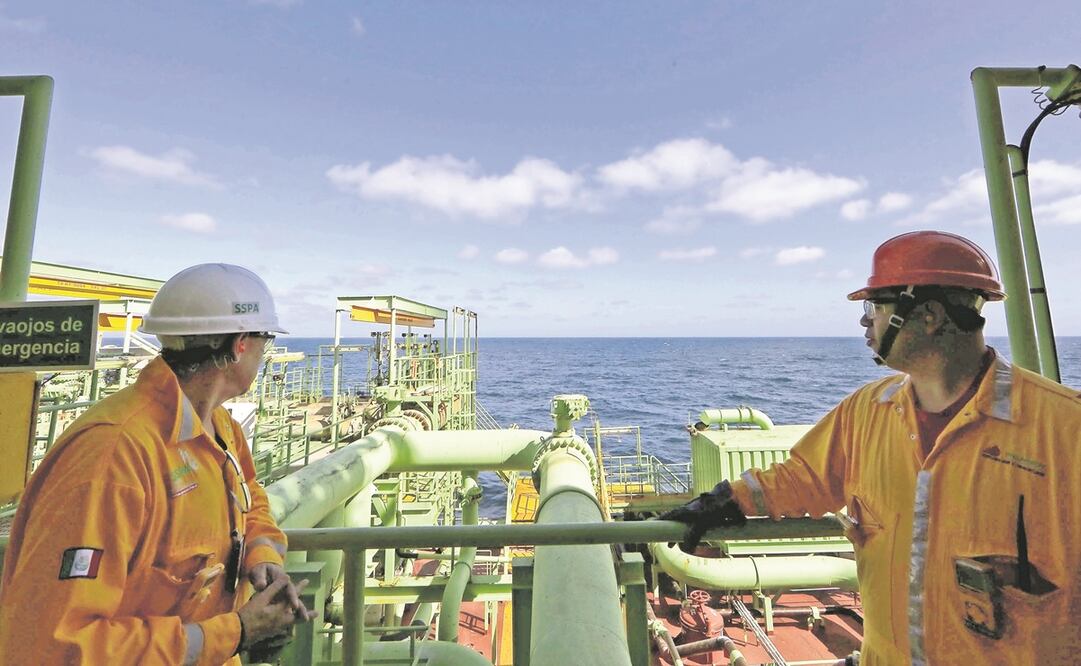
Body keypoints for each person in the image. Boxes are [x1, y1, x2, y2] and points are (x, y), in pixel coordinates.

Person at [661, 231, 1081, 664]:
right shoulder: (867, 411)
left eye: (876, 306)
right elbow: (804, 478)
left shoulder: (1065, 430)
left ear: (930, 314)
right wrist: (725, 501)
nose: (866, 322)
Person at [0, 263, 316, 665]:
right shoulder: (114, 455)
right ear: (240, 345)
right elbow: (61, 646)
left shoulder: (220, 428)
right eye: (265, 339)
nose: (264, 350)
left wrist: (262, 559)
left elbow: (249, 499)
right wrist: (236, 632)